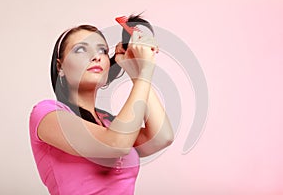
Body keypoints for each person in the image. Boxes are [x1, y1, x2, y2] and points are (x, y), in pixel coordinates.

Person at [29, 15, 174, 195]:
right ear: (60, 67)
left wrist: (136, 73)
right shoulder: (46, 113)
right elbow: (115, 144)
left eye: (102, 50)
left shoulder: (110, 124)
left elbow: (161, 137)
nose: (96, 57)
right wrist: (145, 71)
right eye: (81, 49)